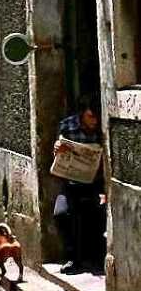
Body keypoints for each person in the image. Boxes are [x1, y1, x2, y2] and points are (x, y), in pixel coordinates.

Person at [53, 95, 106, 274]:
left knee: (95, 214)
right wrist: (57, 150)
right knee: (62, 213)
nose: (94, 121)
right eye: (91, 117)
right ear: (83, 114)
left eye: (97, 118)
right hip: (70, 183)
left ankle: (93, 257)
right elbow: (57, 152)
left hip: (95, 184)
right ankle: (72, 258)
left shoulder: (102, 129)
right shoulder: (67, 126)